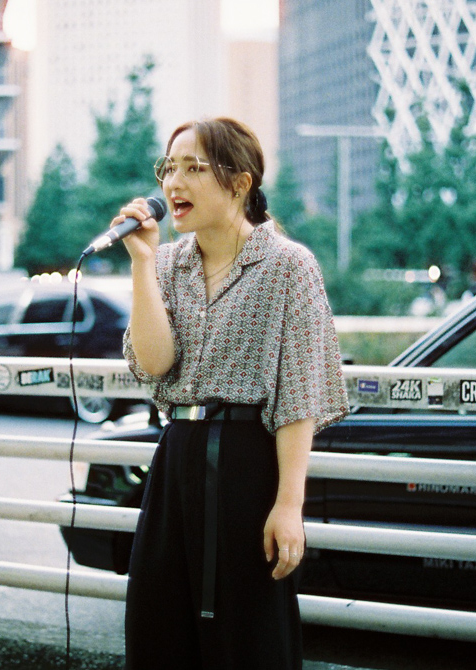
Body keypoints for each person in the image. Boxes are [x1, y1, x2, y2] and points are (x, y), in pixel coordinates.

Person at [114, 117, 349, 669]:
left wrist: (289, 505)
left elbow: (299, 396)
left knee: (248, 634)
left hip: (248, 465)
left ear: (240, 184)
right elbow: (154, 363)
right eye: (169, 167)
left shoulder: (289, 265)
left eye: (194, 168)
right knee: (159, 624)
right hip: (177, 455)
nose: (174, 182)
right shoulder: (166, 263)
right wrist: (143, 263)